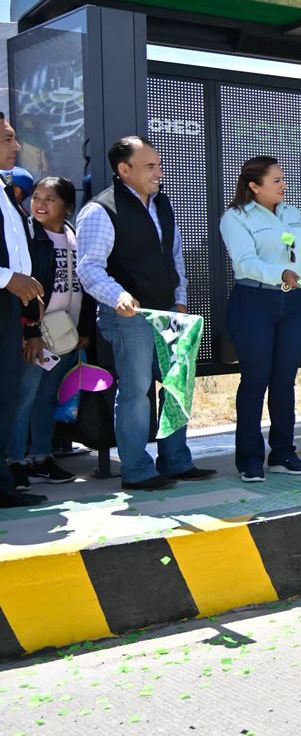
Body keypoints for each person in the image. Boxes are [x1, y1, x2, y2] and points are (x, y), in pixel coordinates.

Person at [77, 136, 214, 491]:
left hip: (169, 311)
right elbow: (89, 268)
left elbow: (175, 256)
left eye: (159, 165)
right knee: (137, 389)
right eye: (150, 166)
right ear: (124, 170)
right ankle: (137, 470)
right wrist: (118, 296)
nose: (159, 172)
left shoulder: (162, 204)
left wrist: (180, 298)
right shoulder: (100, 210)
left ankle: (176, 461)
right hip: (129, 316)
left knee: (177, 384)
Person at [219, 157, 301, 482]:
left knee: (284, 381)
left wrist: (290, 276)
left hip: (293, 302)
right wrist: (279, 274)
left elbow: (296, 254)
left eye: (283, 178)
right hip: (254, 301)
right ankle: (249, 458)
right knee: (256, 380)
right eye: (276, 180)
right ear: (254, 186)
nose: (283, 185)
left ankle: (284, 452)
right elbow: (245, 263)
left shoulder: (292, 213)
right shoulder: (235, 217)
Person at [10, 176, 87, 487]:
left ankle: (42, 456)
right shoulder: (29, 237)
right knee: (24, 396)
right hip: (37, 334)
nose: (39, 204)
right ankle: (15, 459)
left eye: (49, 199)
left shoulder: (74, 236)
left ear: (67, 208)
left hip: (66, 335)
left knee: (47, 397)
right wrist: (29, 330)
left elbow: (85, 287)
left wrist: (84, 330)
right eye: (36, 197)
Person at [0, 125, 49, 507]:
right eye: (6, 138)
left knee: (7, 395)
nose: (16, 146)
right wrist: (7, 278)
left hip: (9, 306)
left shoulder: (5, 194)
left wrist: (29, 313)